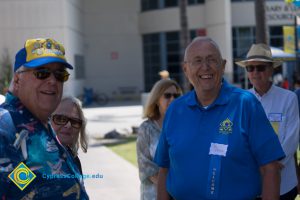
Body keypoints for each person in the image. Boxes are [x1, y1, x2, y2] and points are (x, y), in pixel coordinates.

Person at [154, 37, 285, 200]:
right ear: (186, 69)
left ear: (223, 66)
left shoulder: (246, 104)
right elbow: (164, 169)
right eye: (197, 61)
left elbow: (271, 169)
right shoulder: (175, 110)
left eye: (211, 60)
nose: (205, 67)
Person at [0, 38, 89, 199]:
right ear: (18, 79)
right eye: (42, 73)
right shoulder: (5, 127)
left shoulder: (42, 124)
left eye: (60, 75)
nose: (53, 81)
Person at [236, 43, 300, 200]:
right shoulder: (241, 100)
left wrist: (271, 167)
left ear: (271, 69)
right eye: (250, 68)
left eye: (260, 67)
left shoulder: (288, 98)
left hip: (284, 182)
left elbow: (291, 139)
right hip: (253, 182)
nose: (255, 72)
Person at [136, 79, 182, 200]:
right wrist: (172, 185)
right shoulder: (146, 129)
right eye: (167, 95)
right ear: (157, 100)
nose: (172, 99)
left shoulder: (184, 126)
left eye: (176, 96)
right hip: (153, 195)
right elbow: (146, 167)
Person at [51, 96, 88, 175]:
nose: (68, 125)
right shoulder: (33, 157)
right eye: (60, 119)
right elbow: (18, 184)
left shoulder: (73, 159)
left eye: (74, 121)